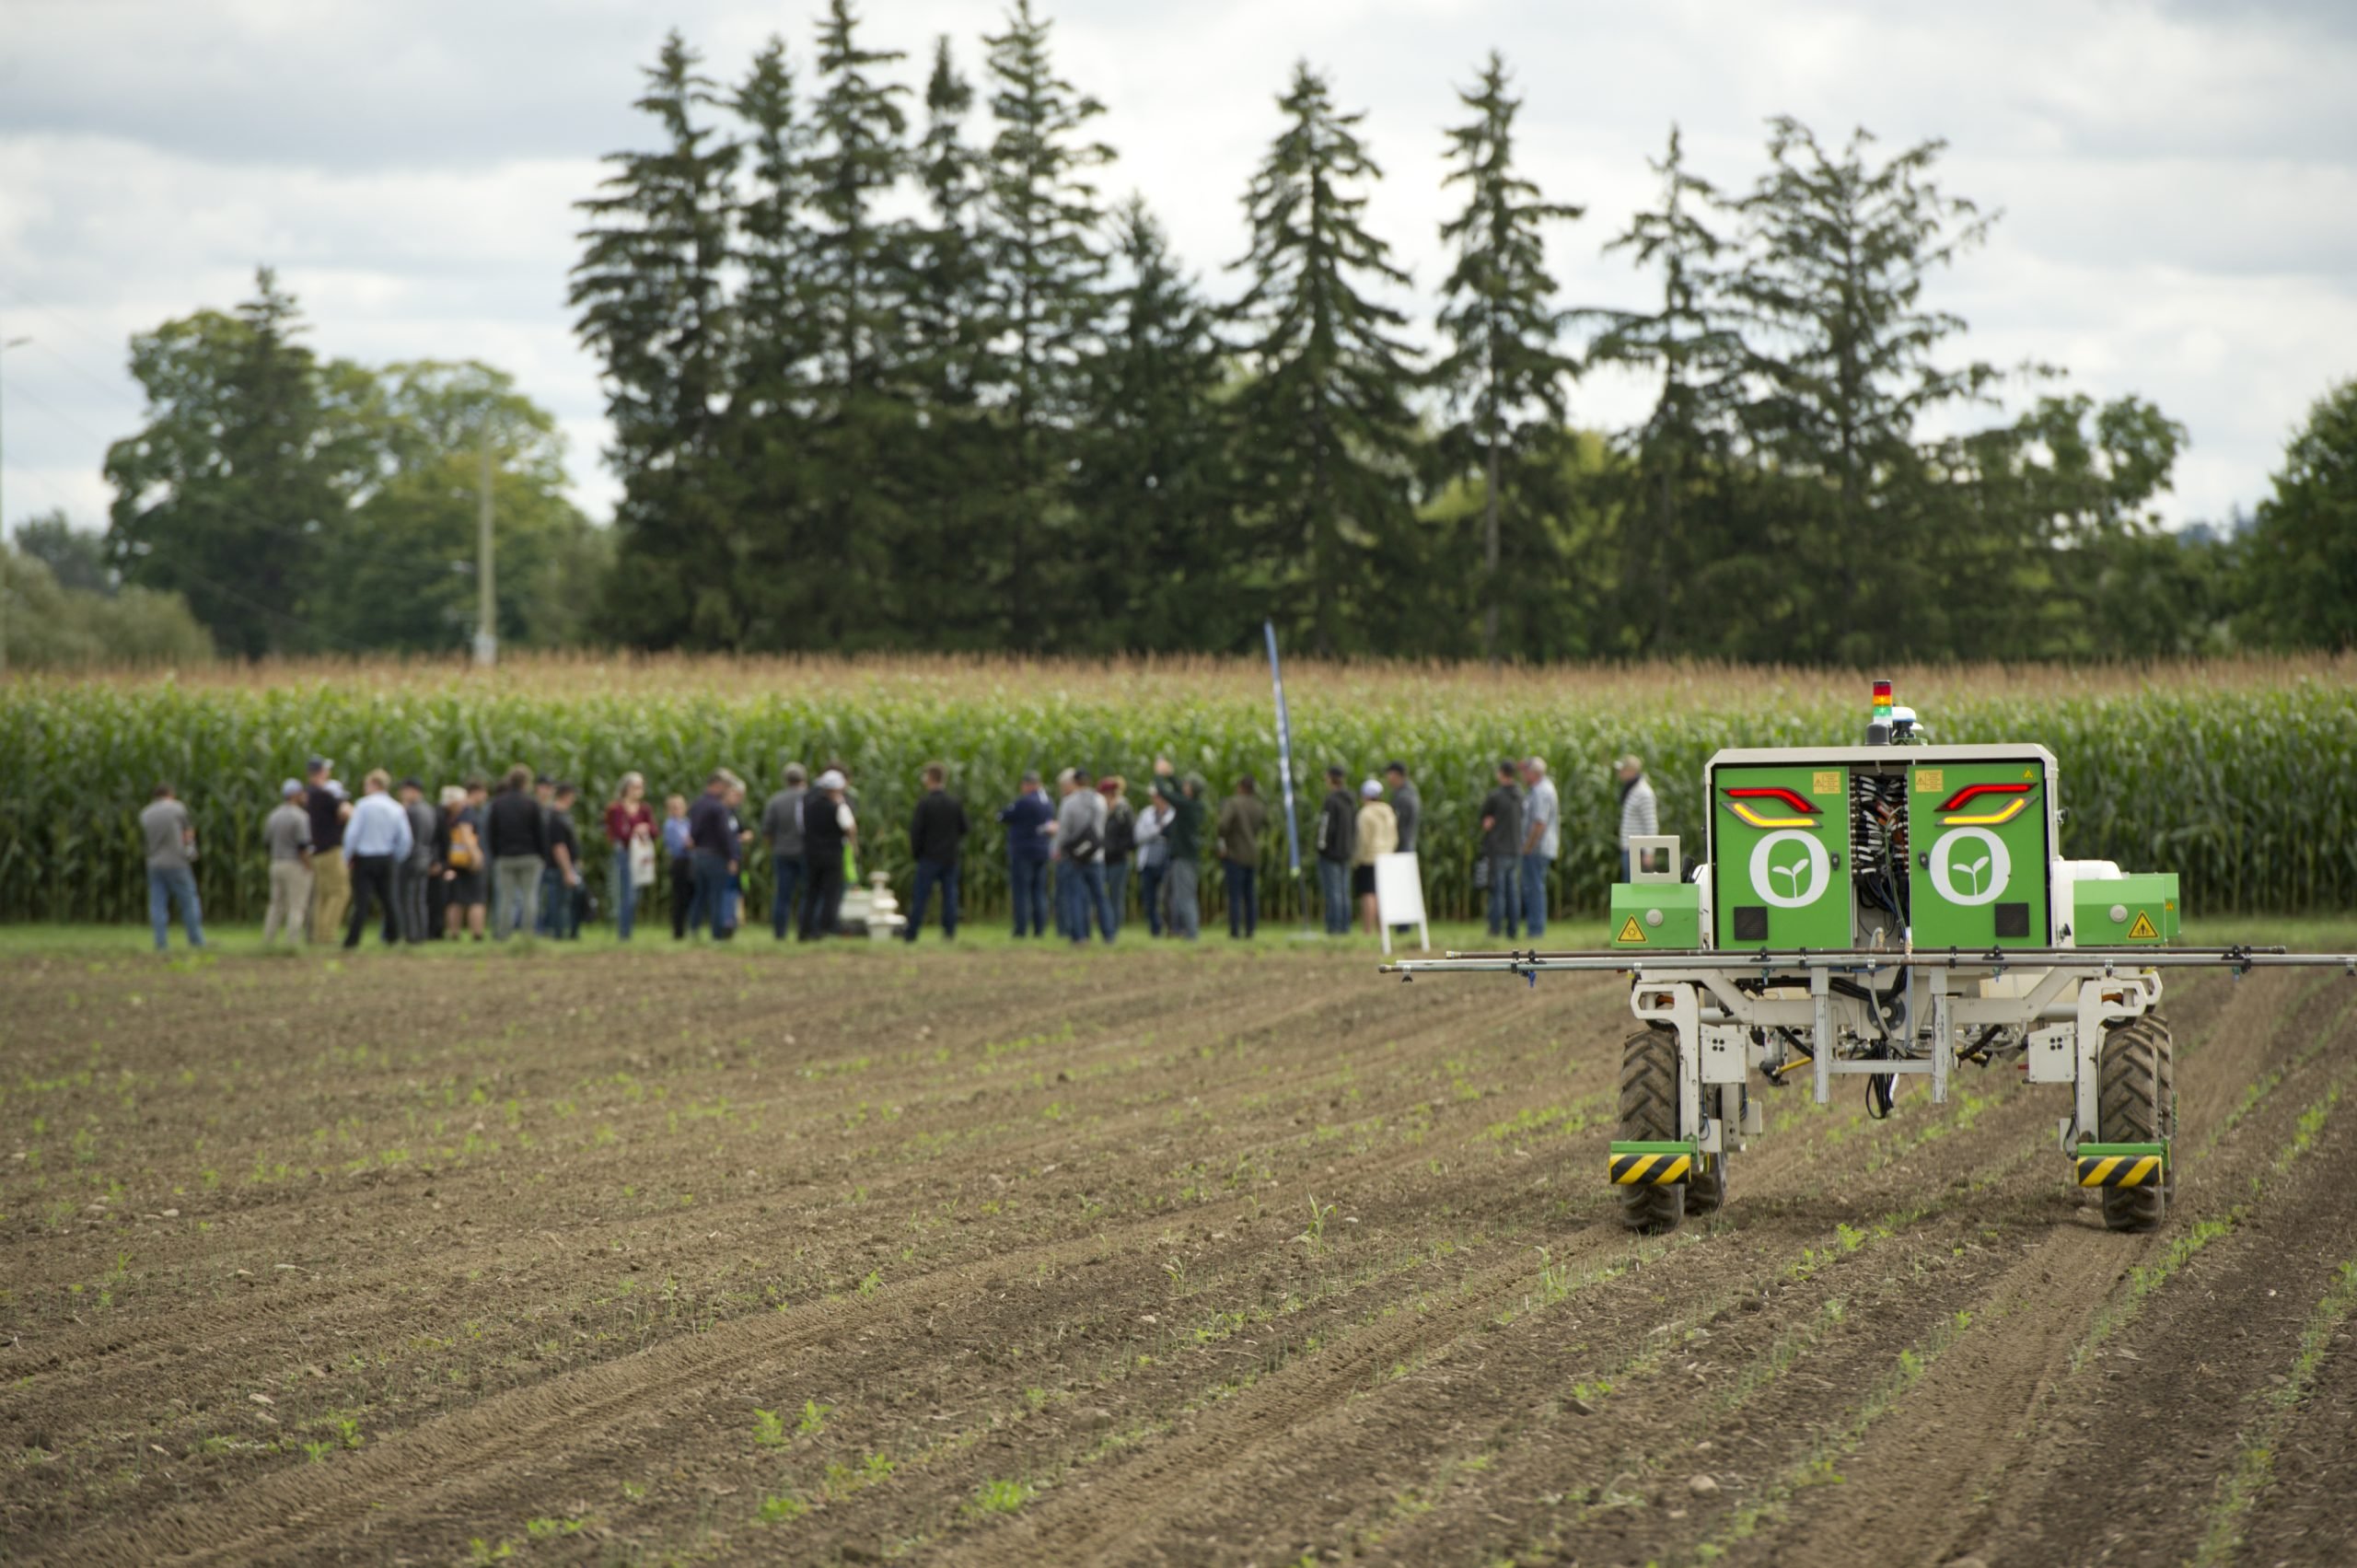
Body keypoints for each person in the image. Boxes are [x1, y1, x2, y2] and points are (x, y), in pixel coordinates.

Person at [343, 769, 412, 950]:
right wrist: (397, 856)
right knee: (390, 899)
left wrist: (347, 856)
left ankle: (353, 940)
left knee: (361, 901)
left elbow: (353, 834)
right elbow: (405, 838)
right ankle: (395, 937)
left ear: (374, 785)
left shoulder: (363, 806)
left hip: (365, 858)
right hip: (387, 857)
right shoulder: (396, 807)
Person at [905, 762, 969, 942]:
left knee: (920, 897)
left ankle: (912, 934)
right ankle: (949, 933)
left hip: (929, 857)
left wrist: (917, 853)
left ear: (931, 778)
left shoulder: (925, 804)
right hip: (950, 857)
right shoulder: (954, 803)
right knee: (950, 897)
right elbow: (965, 828)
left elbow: (916, 832)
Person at [140, 782, 204, 951]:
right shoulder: (176, 808)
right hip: (177, 863)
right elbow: (187, 833)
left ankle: (160, 942)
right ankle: (196, 940)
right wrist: (191, 853)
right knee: (189, 901)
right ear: (170, 794)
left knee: (157, 904)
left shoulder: (146, 813)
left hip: (154, 863)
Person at [487, 764, 549, 940]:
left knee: (506, 898)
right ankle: (527, 933)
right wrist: (543, 855)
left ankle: (503, 933)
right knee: (530, 896)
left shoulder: (498, 804)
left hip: (505, 856)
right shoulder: (532, 804)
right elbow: (540, 833)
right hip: (529, 856)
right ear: (526, 783)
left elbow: (492, 832)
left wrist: (496, 854)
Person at [1053, 768, 1112, 946]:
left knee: (1076, 897)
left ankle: (1080, 936)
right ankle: (1108, 934)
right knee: (1100, 896)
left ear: (1075, 782)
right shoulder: (1100, 800)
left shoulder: (1069, 802)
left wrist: (1057, 849)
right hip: (1096, 855)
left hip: (1075, 857)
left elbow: (1064, 830)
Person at [1151, 758, 1206, 940]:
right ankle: (1179, 930)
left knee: (1185, 897)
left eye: (1187, 784)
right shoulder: (1191, 804)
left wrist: (1159, 775)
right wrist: (1171, 775)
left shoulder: (1187, 805)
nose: (1184, 786)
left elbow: (1166, 794)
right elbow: (1177, 790)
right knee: (1170, 896)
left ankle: (1191, 934)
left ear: (1191, 789)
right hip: (1181, 857)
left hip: (1184, 858)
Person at [998, 771, 1054, 939]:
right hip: (1042, 851)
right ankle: (1039, 929)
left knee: (1021, 892)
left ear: (1030, 784)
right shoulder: (1048, 802)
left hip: (1024, 852)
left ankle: (1021, 929)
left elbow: (1003, 816)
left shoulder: (1025, 802)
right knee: (1039, 892)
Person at [799, 769, 854, 940]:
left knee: (811, 892)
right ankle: (823, 928)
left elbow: (801, 828)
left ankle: (804, 929)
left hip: (811, 854)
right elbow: (849, 828)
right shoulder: (838, 806)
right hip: (832, 854)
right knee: (830, 893)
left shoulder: (807, 805)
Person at [685, 772, 737, 940]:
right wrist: (732, 857)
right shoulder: (718, 807)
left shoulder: (697, 804)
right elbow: (724, 834)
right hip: (715, 856)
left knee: (699, 895)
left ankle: (694, 929)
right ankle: (717, 934)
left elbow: (692, 831)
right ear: (718, 785)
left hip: (699, 855)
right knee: (717, 896)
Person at [305, 756, 352, 944]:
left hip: (316, 851)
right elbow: (348, 812)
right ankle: (327, 934)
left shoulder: (309, 795)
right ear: (322, 772)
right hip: (331, 850)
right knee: (341, 891)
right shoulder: (325, 795)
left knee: (322, 894)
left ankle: (317, 934)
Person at [261, 779, 313, 946]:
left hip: (276, 863)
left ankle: (268, 940)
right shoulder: (300, 817)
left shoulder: (273, 815)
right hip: (294, 864)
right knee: (297, 906)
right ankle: (292, 941)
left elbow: (266, 842)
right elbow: (303, 846)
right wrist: (308, 866)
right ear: (295, 795)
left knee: (276, 904)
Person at [605, 772, 656, 941]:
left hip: (641, 854)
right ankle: (623, 932)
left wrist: (646, 828)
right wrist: (635, 830)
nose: (638, 790)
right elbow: (617, 832)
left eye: (641, 786)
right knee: (625, 892)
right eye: (635, 787)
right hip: (625, 853)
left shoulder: (644, 809)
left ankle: (628, 929)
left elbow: (655, 830)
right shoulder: (616, 809)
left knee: (636, 892)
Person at [761, 763, 808, 941]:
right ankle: (805, 930)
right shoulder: (809, 798)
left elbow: (767, 831)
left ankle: (780, 933)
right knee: (807, 893)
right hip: (805, 852)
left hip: (782, 852)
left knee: (782, 895)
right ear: (803, 778)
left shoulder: (776, 800)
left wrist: (774, 847)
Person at [1216, 775, 1267, 940]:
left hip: (1235, 854)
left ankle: (1235, 931)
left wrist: (1224, 839)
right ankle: (1251, 930)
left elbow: (1223, 825)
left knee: (1235, 895)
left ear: (1240, 787)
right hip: (1252, 855)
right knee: (1250, 895)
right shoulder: (1258, 806)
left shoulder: (1233, 803)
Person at [390, 778, 437, 945]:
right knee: (420, 900)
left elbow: (404, 838)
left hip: (410, 858)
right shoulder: (429, 810)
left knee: (407, 899)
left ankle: (411, 935)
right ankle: (422, 934)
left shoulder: (410, 811)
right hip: (425, 858)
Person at [1480, 760, 1524, 940]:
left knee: (1498, 892)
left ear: (1501, 773)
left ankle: (1495, 929)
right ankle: (1513, 930)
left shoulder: (1495, 796)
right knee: (1512, 892)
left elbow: (1485, 820)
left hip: (1499, 849)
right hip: (1515, 849)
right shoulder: (1520, 794)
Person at [441, 778, 489, 941]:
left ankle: (454, 933)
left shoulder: (451, 813)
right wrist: (476, 856)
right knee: (477, 898)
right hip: (468, 859)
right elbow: (466, 833)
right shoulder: (467, 811)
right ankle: (477, 934)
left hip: (455, 859)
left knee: (455, 898)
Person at [1519, 757, 1561, 941]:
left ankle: (1536, 929)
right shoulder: (1538, 789)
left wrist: (1528, 846)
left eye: (1525, 772)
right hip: (1537, 847)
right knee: (1533, 887)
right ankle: (1534, 927)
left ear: (1533, 773)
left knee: (1534, 888)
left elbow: (1539, 823)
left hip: (1538, 848)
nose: (1523, 776)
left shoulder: (1541, 791)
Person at [1314, 764, 1357, 936]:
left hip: (1331, 853)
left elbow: (1326, 826)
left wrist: (1321, 846)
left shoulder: (1331, 800)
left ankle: (1334, 927)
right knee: (1344, 892)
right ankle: (1345, 926)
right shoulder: (1350, 800)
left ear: (1331, 778)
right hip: (1346, 851)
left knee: (1333, 892)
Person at [1353, 778, 1399, 935]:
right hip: (1387, 857)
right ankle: (1382, 931)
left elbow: (1363, 839)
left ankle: (1367, 931)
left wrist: (1358, 858)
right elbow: (1394, 836)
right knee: (1383, 894)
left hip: (1370, 858)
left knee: (1369, 894)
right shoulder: (1388, 811)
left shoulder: (1365, 813)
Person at [1385, 761, 1422, 937]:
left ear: (1397, 775)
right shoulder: (1411, 792)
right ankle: (1403, 927)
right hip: (1408, 844)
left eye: (1389, 774)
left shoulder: (1402, 797)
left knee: (1401, 889)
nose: (1387, 778)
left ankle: (1403, 927)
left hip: (1402, 846)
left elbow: (1396, 825)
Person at [542, 783, 584, 938]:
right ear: (566, 795)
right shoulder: (556, 817)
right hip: (559, 867)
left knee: (566, 900)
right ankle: (558, 934)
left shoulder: (563, 815)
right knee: (560, 902)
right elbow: (559, 846)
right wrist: (567, 870)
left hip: (567, 865)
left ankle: (564, 932)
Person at [1099, 776, 1135, 938]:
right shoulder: (1105, 811)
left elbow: (1130, 838)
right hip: (1104, 859)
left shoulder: (1123, 810)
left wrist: (1115, 849)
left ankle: (1114, 928)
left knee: (1116, 895)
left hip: (1118, 859)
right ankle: (1107, 925)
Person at [1134, 788, 1173, 938]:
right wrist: (1157, 830)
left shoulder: (1173, 813)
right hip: (1148, 862)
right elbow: (1138, 836)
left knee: (1166, 897)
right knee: (1149, 898)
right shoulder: (1146, 813)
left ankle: (1169, 926)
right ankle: (1155, 928)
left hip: (1166, 862)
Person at [1616, 754, 1658, 883]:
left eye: (1623, 770)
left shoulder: (1644, 792)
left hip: (1637, 850)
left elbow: (1651, 823)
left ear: (1631, 771)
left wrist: (1649, 852)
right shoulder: (1632, 790)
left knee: (1635, 890)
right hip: (1628, 848)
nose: (1620, 773)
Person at [533, 775, 562, 937]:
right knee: (534, 897)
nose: (547, 791)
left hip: (552, 860)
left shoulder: (554, 811)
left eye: (550, 788)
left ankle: (549, 927)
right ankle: (536, 929)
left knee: (552, 897)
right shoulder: (532, 807)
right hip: (536, 859)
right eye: (544, 787)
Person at [662, 794, 694, 940]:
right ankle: (678, 931)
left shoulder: (687, 823)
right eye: (674, 807)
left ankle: (689, 928)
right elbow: (679, 845)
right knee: (679, 898)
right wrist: (689, 843)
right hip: (679, 862)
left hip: (691, 862)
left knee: (689, 897)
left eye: (680, 807)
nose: (677, 810)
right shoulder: (670, 825)